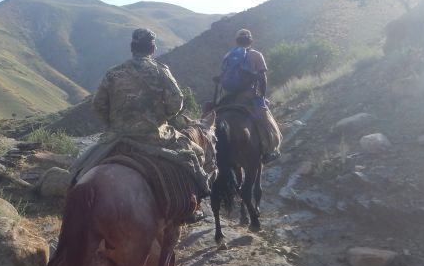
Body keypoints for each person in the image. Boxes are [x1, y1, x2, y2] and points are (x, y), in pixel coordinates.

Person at [69, 28, 212, 198]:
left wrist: (112, 124)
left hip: (116, 136)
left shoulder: (113, 72)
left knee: (79, 168)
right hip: (155, 135)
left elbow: (98, 103)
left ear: (132, 47)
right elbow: (177, 100)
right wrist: (162, 118)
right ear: (152, 49)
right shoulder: (161, 70)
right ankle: (193, 203)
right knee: (198, 153)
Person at [215, 28, 282, 163]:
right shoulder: (256, 55)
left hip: (227, 98)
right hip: (249, 96)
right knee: (266, 119)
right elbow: (263, 78)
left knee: (210, 118)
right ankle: (271, 149)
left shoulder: (228, 56)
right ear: (251, 41)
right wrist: (262, 96)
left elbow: (223, 78)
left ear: (236, 41)